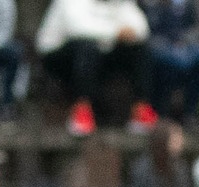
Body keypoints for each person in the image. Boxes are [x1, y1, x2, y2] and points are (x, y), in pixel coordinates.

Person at [37, 0, 153, 137]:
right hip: (60, 58)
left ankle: (140, 110)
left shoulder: (120, 3)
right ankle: (81, 110)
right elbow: (78, 29)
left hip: (100, 54)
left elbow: (141, 28)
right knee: (87, 47)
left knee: (138, 48)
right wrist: (117, 32)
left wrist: (127, 33)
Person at [143, 0, 199, 123]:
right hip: (159, 46)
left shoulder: (191, 3)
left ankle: (191, 110)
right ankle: (160, 111)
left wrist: (185, 40)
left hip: (188, 45)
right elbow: (145, 28)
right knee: (174, 61)